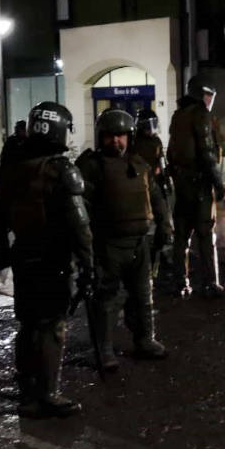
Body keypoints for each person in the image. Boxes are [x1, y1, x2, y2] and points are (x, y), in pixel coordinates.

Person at [0, 101, 94, 418]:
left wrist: (2, 250)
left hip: (24, 255)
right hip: (53, 258)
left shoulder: (14, 169)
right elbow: (80, 225)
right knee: (53, 326)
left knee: (29, 325)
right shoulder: (61, 170)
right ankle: (48, 393)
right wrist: (89, 264)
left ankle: (27, 393)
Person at [76, 109, 170, 371]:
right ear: (100, 137)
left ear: (129, 136)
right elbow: (79, 207)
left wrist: (165, 224)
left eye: (120, 135)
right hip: (107, 245)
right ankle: (104, 350)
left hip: (139, 243)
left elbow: (156, 197)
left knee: (143, 295)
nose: (115, 141)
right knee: (105, 299)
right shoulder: (90, 167)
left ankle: (145, 340)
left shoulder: (139, 164)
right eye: (109, 136)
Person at [166, 75, 225, 298]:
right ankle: (210, 283)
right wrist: (218, 184)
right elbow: (207, 153)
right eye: (208, 94)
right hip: (200, 186)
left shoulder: (178, 116)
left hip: (182, 186)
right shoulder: (200, 114)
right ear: (200, 94)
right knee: (205, 236)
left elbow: (170, 153)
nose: (211, 99)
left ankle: (180, 283)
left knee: (181, 237)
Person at [132, 109, 174, 278]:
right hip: (142, 188)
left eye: (153, 125)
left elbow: (161, 162)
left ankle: (158, 254)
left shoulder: (155, 141)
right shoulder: (135, 144)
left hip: (156, 186)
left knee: (164, 224)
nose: (152, 129)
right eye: (148, 125)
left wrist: (165, 178)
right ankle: (145, 259)